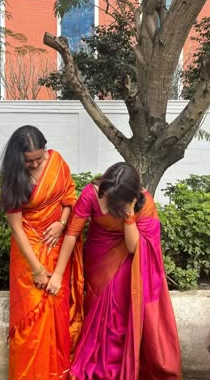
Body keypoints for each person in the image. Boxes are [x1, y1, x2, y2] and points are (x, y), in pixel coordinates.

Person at [47, 162, 182, 379]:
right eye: (107, 195)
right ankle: (100, 361)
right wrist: (57, 274)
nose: (109, 202)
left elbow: (134, 248)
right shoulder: (91, 194)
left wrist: (129, 215)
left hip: (128, 255)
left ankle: (116, 365)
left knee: (120, 297)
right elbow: (72, 234)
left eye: (115, 200)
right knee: (99, 305)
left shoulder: (143, 203)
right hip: (98, 256)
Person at [0, 125, 83, 380]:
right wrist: (36, 269)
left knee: (58, 308)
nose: (36, 164)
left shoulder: (57, 161)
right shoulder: (13, 178)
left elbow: (69, 195)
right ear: (18, 159)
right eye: (29, 161)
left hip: (57, 245)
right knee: (33, 316)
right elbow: (17, 229)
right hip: (28, 252)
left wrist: (62, 222)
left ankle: (57, 372)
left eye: (40, 157)